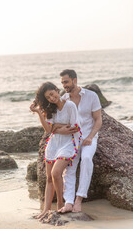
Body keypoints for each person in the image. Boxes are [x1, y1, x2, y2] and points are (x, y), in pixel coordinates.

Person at [30, 82, 82, 219]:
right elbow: (48, 130)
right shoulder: (50, 109)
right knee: (49, 178)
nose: (52, 98)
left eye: (52, 94)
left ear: (57, 90)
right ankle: (46, 210)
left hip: (68, 143)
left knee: (56, 172)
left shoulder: (70, 106)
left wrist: (56, 127)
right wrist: (38, 113)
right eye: (48, 97)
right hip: (53, 144)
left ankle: (60, 204)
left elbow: (74, 127)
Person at [53, 69, 102, 213]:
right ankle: (68, 202)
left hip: (89, 136)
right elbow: (56, 121)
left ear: (74, 80)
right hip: (72, 140)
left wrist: (90, 137)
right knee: (70, 167)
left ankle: (79, 199)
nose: (64, 86)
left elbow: (98, 120)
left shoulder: (91, 96)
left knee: (86, 159)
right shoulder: (63, 99)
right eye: (62, 83)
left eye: (66, 82)